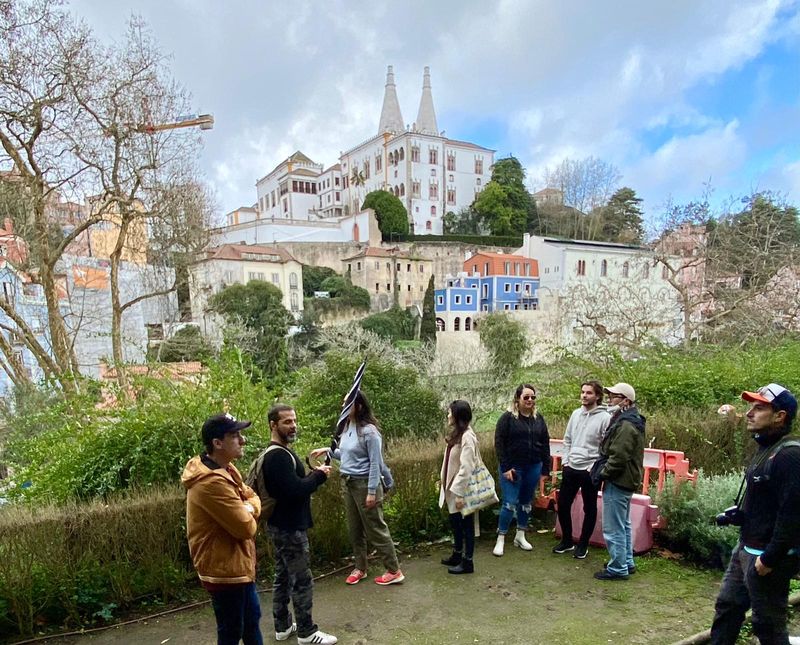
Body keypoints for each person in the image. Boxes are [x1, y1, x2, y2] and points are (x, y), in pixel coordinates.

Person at [710, 383, 800, 645]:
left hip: (767, 557)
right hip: (745, 548)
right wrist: (741, 515)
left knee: (767, 625)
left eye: (759, 408)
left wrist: (770, 558)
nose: (749, 413)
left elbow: (793, 514)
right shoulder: (767, 447)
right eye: (751, 406)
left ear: (780, 416)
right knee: (727, 607)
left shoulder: (790, 455)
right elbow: (766, 500)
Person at [182, 412, 264, 645]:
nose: (243, 440)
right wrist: (250, 506)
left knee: (251, 622)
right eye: (235, 435)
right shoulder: (210, 483)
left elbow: (251, 495)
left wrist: (247, 505)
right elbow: (246, 527)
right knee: (231, 630)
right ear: (217, 443)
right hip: (223, 571)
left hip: (237, 565)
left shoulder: (227, 469)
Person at [262, 404, 338, 645]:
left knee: (282, 576)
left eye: (294, 420)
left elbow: (291, 485)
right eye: (287, 422)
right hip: (289, 528)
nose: (293, 425)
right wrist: (318, 476)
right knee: (301, 580)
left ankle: (282, 627)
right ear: (273, 425)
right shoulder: (277, 456)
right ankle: (306, 632)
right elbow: (294, 492)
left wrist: (315, 475)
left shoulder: (280, 452)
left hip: (282, 526)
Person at [311, 391, 403, 586]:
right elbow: (347, 455)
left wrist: (371, 492)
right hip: (349, 482)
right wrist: (327, 450)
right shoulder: (346, 427)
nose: (343, 407)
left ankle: (394, 570)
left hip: (365, 485)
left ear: (359, 406)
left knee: (375, 529)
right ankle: (360, 567)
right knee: (355, 530)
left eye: (347, 403)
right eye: (343, 403)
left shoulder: (369, 432)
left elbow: (375, 464)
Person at [593, 383, 645, 581]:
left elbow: (618, 457)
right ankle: (626, 562)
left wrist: (602, 474)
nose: (609, 399)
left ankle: (617, 568)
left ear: (626, 401)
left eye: (614, 396)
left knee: (613, 526)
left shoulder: (625, 424)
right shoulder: (631, 420)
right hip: (627, 480)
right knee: (623, 524)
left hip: (619, 480)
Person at [553, 380, 610, 560]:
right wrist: (566, 461)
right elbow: (568, 439)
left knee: (589, 508)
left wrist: (593, 467)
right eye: (583, 392)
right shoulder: (576, 414)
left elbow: (605, 447)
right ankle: (567, 540)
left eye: (589, 393)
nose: (584, 396)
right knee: (562, 505)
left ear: (598, 396)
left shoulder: (605, 418)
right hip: (571, 467)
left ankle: (583, 544)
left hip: (589, 469)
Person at [493, 383, 551, 557]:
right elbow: (499, 444)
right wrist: (505, 467)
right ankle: (501, 537)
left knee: (526, 502)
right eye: (526, 397)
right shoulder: (507, 419)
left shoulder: (538, 419)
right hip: (513, 468)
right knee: (509, 503)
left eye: (533, 397)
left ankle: (520, 535)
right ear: (517, 399)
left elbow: (545, 444)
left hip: (533, 466)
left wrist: (545, 469)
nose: (530, 400)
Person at [439, 400, 480, 574]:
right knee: (456, 523)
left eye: (450, 413)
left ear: (457, 416)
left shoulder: (467, 437)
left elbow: (467, 466)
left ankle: (468, 561)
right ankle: (457, 554)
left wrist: (460, 493)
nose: (448, 416)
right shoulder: (458, 434)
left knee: (467, 525)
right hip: (452, 489)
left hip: (461, 491)